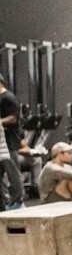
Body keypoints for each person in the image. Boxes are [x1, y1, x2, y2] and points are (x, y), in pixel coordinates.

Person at [0, 75, 24, 209]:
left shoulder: (8, 98)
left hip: (9, 143)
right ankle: (5, 201)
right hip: (1, 142)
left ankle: (17, 200)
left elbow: (13, 118)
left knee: (12, 172)